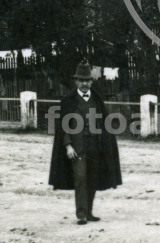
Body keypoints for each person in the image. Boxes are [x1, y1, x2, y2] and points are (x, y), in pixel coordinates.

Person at [48, 62, 122, 224]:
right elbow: (63, 126)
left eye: (87, 80)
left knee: (93, 178)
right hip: (77, 148)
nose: (84, 84)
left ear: (91, 81)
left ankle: (89, 212)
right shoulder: (68, 101)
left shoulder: (97, 100)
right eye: (81, 80)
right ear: (76, 82)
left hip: (95, 146)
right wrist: (68, 146)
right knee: (80, 178)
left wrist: (104, 145)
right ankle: (81, 214)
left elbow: (104, 123)